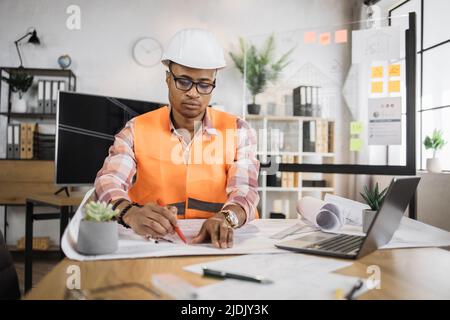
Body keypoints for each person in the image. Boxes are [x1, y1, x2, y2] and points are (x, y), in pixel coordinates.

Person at [94, 28, 259, 249]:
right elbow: (109, 181)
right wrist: (130, 213)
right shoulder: (136, 129)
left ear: (213, 84)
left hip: (219, 243)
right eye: (184, 81)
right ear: (168, 79)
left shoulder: (237, 130)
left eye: (204, 84)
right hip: (154, 241)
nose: (193, 93)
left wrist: (226, 218)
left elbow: (245, 191)